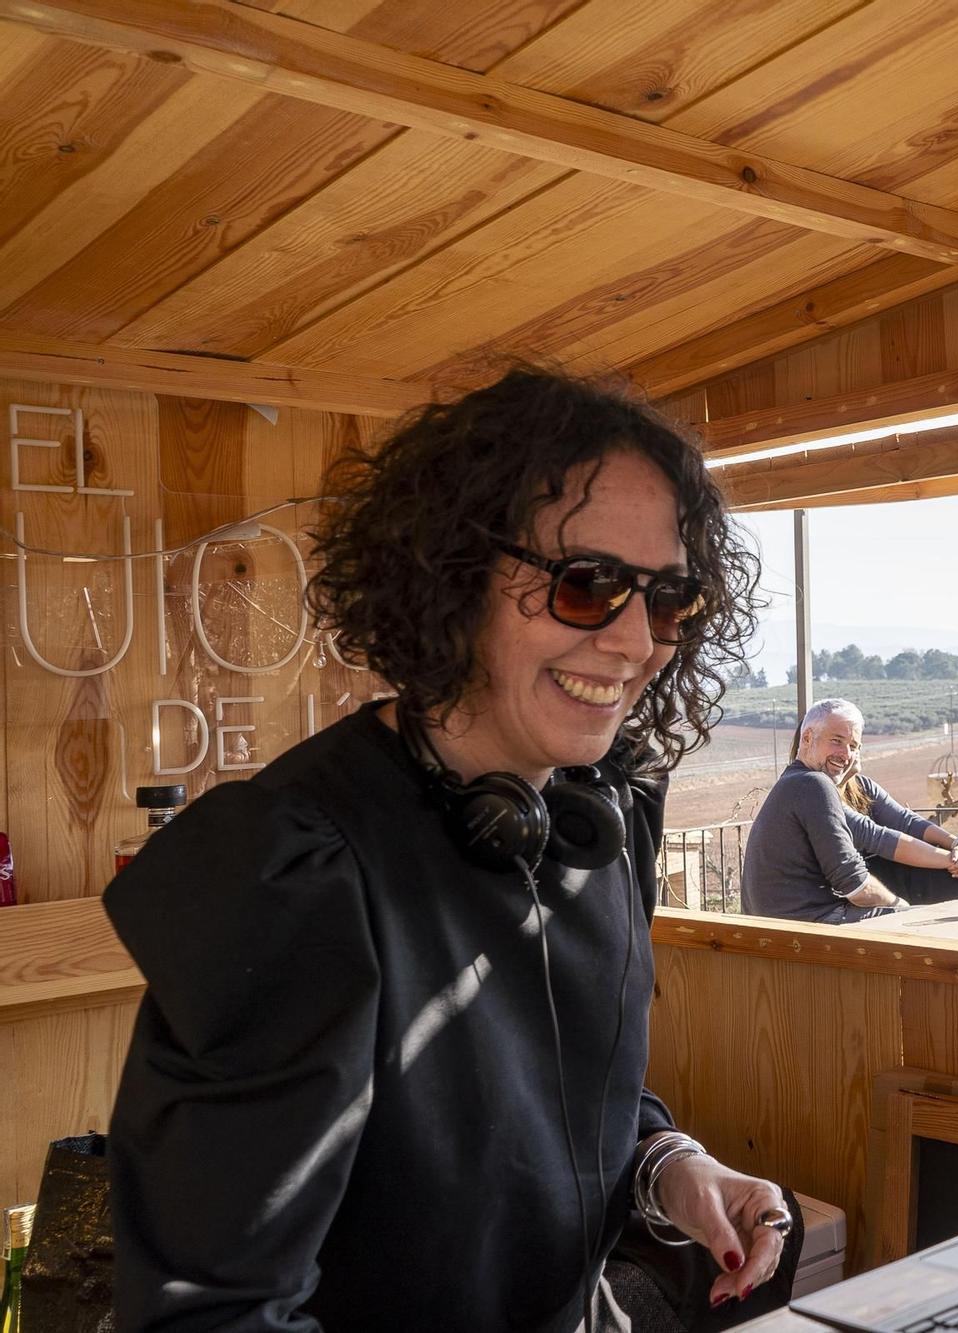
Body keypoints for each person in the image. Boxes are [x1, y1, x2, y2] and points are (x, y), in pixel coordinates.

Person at [105, 369, 798, 1332]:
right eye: (587, 584)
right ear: (453, 575)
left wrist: (667, 1166)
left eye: (669, 598)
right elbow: (211, 1314)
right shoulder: (295, 869)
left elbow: (560, 1102)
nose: (639, 640)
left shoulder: (599, 816)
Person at [742, 700, 958, 921]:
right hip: (809, 924)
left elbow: (902, 822)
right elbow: (856, 882)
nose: (846, 754)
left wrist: (955, 845)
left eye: (853, 747)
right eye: (836, 741)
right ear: (808, 737)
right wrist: (902, 908)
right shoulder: (813, 784)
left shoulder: (798, 782)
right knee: (927, 921)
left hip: (785, 922)